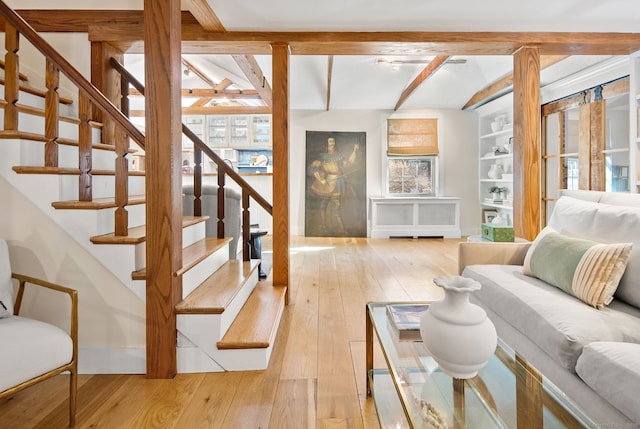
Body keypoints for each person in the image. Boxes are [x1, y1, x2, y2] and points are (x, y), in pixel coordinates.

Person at [310, 136, 359, 232]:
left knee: (337, 205)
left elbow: (348, 163)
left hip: (337, 182)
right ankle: (324, 226)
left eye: (333, 141)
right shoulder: (322, 156)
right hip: (327, 182)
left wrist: (354, 151)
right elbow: (314, 169)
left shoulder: (339, 156)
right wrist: (320, 180)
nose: (332, 143)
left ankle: (341, 229)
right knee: (324, 204)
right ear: (327, 143)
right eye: (330, 141)